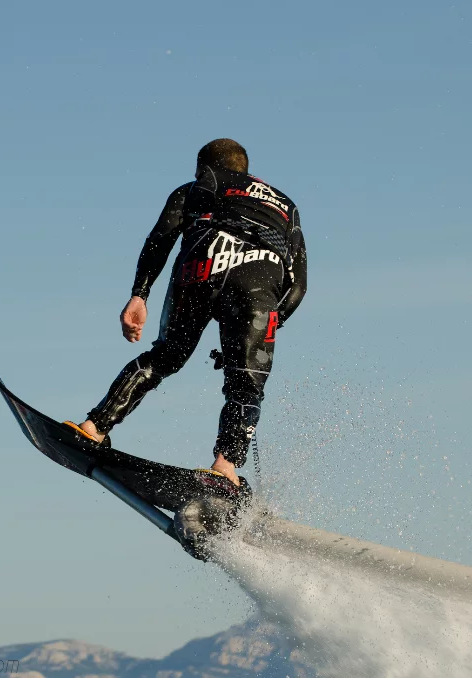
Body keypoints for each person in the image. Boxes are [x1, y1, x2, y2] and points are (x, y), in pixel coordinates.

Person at [64, 139, 307, 487]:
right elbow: (298, 286)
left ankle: (93, 427)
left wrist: (139, 295)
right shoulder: (287, 205)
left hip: (201, 263)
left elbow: (160, 238)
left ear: (203, 168)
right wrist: (266, 323)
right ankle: (225, 467)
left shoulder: (197, 186)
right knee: (246, 382)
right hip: (260, 277)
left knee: (165, 356)